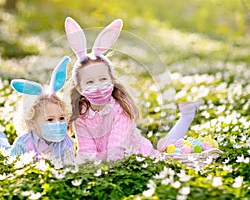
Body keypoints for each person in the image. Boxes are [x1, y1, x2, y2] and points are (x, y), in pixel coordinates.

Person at [64, 17, 204, 163]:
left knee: (168, 154)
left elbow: (117, 145)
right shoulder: (81, 115)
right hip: (103, 163)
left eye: (103, 79)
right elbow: (86, 149)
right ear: (79, 87)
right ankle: (187, 114)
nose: (98, 86)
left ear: (112, 80)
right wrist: (87, 168)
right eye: (90, 82)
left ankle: (186, 116)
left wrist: (109, 169)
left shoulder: (119, 108)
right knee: (166, 148)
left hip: (135, 157)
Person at [0, 56, 75, 165]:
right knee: (2, 146)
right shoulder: (23, 143)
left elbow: (70, 168)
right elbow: (13, 165)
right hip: (12, 152)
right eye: (50, 119)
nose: (58, 123)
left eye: (61, 118)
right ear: (32, 123)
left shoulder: (67, 143)